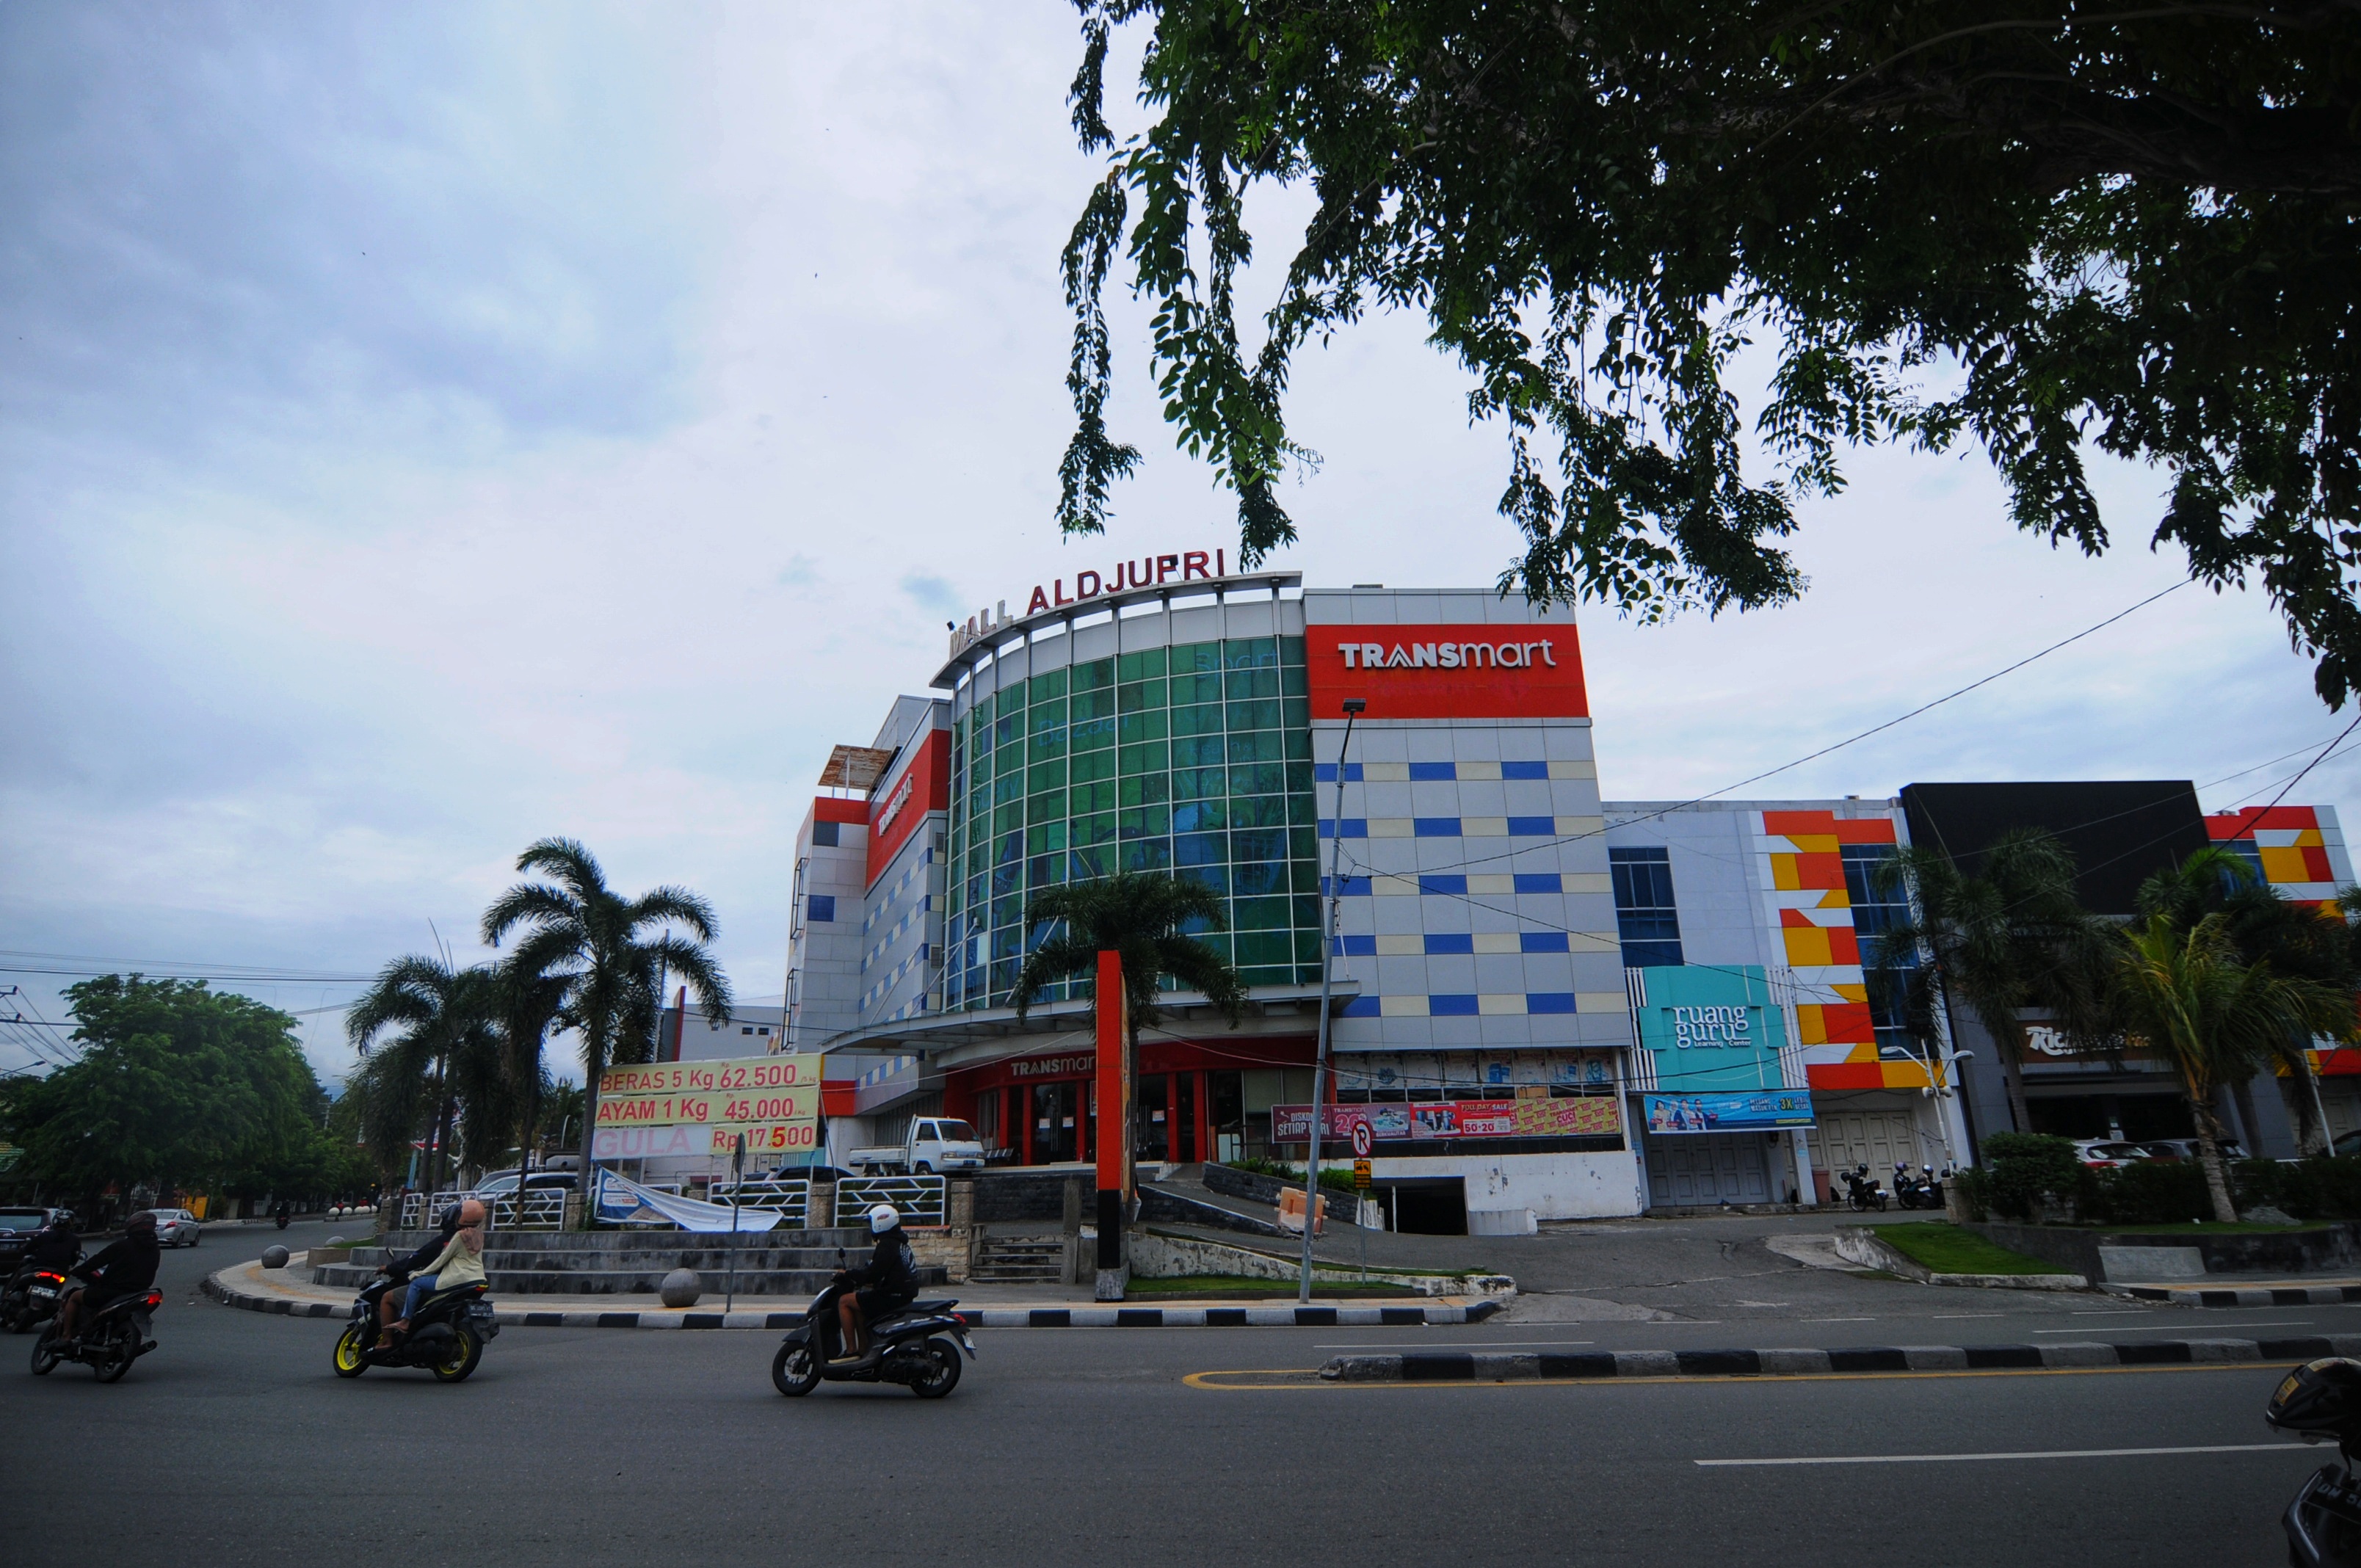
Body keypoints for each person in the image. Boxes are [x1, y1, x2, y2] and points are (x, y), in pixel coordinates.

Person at [380, 1198, 485, 1346]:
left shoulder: (459, 1236)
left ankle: (404, 1322)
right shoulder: (479, 1235)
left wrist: (419, 1274)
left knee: (416, 1283)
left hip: (456, 1279)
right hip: (478, 1278)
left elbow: (442, 1259)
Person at [54, 1211, 159, 1343]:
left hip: (112, 1292)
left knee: (74, 1297)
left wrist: (77, 1271)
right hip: (138, 1292)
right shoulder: (155, 1248)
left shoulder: (123, 1245)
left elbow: (97, 1261)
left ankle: (67, 1335)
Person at [832, 1202, 918, 1364]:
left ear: (880, 1223)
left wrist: (849, 1274)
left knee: (844, 1301)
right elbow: (882, 1272)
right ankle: (864, 1350)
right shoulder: (898, 1243)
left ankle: (851, 1351)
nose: (870, 1227)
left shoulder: (887, 1245)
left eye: (871, 1223)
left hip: (892, 1297)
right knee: (859, 1304)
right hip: (900, 1294)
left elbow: (873, 1274)